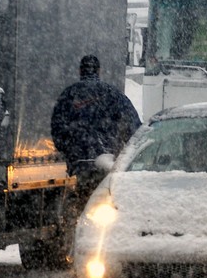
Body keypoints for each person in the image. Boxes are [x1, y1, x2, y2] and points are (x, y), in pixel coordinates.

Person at [51, 55, 141, 197]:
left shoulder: (69, 95)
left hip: (80, 164)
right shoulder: (113, 94)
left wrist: (70, 152)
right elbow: (134, 126)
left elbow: (57, 129)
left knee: (81, 201)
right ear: (99, 71)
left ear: (80, 71)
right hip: (107, 162)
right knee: (106, 199)